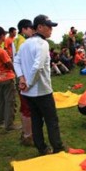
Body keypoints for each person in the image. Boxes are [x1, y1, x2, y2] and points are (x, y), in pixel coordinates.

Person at [14, 14, 66, 155]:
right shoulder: (43, 44)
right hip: (41, 91)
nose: (51, 30)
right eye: (49, 27)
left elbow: (16, 61)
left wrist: (22, 79)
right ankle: (57, 148)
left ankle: (41, 148)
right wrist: (28, 82)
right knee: (51, 120)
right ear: (39, 27)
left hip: (28, 92)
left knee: (36, 120)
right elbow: (38, 67)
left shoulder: (25, 44)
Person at [13, 19, 35, 146]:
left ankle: (25, 133)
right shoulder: (23, 42)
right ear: (24, 29)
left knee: (23, 107)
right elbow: (22, 61)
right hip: (24, 79)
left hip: (20, 76)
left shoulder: (16, 40)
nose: (32, 31)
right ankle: (28, 136)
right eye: (31, 28)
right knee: (27, 108)